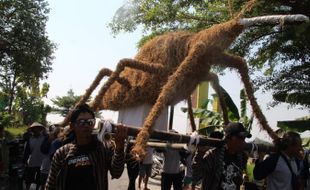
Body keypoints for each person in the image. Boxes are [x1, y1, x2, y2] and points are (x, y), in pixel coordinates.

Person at [44, 103, 127, 190]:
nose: (86, 125)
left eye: (90, 122)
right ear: (72, 126)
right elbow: (50, 184)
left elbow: (116, 173)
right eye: (81, 122)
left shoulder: (103, 148)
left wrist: (119, 147)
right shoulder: (62, 153)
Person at [192, 122, 250, 190]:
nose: (242, 141)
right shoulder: (213, 155)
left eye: (243, 138)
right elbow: (196, 176)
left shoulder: (242, 157)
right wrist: (200, 153)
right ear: (229, 138)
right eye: (239, 138)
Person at [23, 122, 46, 190]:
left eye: (38, 129)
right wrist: (24, 161)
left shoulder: (44, 138)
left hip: (42, 161)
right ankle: (27, 188)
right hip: (32, 161)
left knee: (39, 178)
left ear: (40, 129)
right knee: (29, 177)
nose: (37, 130)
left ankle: (37, 188)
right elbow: (27, 151)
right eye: (35, 129)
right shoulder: (30, 139)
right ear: (32, 130)